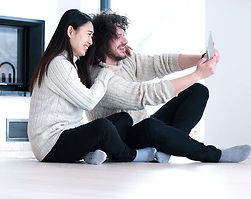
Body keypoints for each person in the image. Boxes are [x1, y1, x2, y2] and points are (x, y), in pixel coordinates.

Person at [86, 9, 251, 163]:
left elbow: (160, 63)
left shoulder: (125, 60)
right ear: (102, 41)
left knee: (198, 91)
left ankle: (167, 149)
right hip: (122, 138)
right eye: (118, 36)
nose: (125, 40)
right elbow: (144, 95)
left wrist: (202, 58)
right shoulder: (99, 78)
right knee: (150, 126)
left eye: (124, 35)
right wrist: (198, 74)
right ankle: (214, 154)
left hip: (143, 126)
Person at [27, 9, 156, 165]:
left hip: (66, 136)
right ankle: (131, 155)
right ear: (70, 31)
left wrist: (120, 55)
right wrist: (105, 74)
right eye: (88, 34)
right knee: (102, 127)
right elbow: (88, 102)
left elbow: (94, 58)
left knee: (123, 119)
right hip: (50, 145)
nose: (91, 41)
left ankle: (91, 153)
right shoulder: (59, 64)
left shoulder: (69, 63)